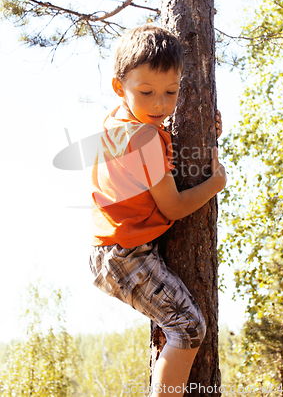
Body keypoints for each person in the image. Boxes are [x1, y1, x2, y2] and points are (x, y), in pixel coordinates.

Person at [89, 24, 227, 397]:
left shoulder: (120, 121)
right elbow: (173, 204)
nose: (161, 105)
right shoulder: (145, 137)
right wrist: (215, 185)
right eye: (147, 92)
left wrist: (203, 132)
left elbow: (160, 163)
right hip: (125, 255)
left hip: (116, 250)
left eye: (172, 92)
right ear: (120, 87)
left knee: (180, 324)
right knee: (188, 327)